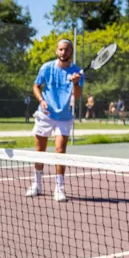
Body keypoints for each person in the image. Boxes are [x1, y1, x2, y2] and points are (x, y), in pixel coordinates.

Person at [25, 38, 83, 202]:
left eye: (67, 50)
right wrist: (41, 101)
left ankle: (59, 188)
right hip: (45, 114)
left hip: (64, 117)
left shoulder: (77, 71)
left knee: (60, 150)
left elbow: (77, 96)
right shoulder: (47, 68)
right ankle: (37, 184)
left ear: (71, 51)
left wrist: (76, 83)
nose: (63, 52)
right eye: (61, 50)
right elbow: (36, 86)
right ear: (57, 51)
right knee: (40, 151)